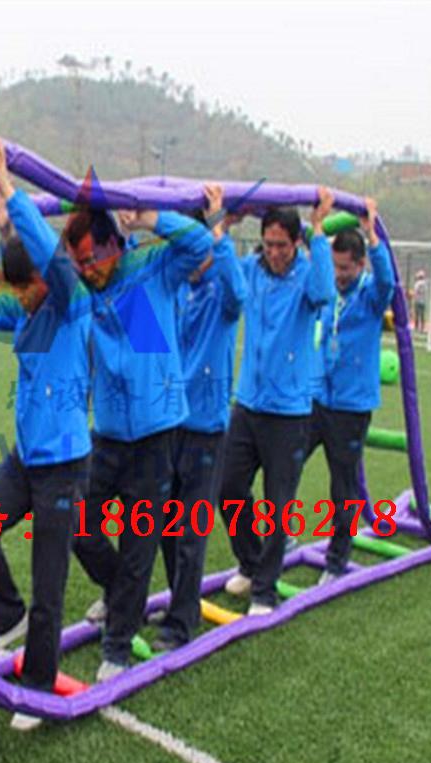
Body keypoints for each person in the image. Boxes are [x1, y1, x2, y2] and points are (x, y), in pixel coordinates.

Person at [0, 137, 92, 731]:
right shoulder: (27, 311)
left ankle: (37, 688)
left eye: (27, 285)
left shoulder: (70, 304)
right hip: (27, 458)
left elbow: (54, 262)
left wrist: (8, 189)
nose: (23, 297)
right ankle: (8, 619)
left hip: (64, 464)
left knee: (49, 586)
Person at [50, 190, 212, 680]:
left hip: (156, 434)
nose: (84, 269)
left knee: (139, 541)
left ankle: (117, 647)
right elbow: (41, 274)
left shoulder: (151, 270)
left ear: (112, 245)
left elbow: (199, 243)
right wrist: (9, 221)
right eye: (77, 262)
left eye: (89, 260)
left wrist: (149, 217)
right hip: (107, 435)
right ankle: (122, 596)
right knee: (78, 526)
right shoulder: (86, 293)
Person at [218, 188, 335, 615]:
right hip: (248, 404)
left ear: (296, 243)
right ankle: (251, 563)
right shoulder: (252, 269)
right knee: (228, 487)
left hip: (288, 412)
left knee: (278, 504)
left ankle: (264, 591)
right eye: (268, 244)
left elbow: (324, 292)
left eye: (282, 245)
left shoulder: (306, 275)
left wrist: (318, 230)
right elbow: (221, 270)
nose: (274, 253)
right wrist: (224, 223)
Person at [154, 184, 246, 650]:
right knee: (165, 528)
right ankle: (180, 603)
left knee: (190, 531)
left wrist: (218, 230)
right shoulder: (176, 290)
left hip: (205, 428)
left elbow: (239, 293)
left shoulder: (221, 293)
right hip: (169, 424)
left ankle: (181, 623)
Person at [307, 199, 394, 581]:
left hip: (351, 406)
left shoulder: (371, 295)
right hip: (318, 399)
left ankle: (336, 559)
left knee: (342, 484)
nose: (339, 275)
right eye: (335, 267)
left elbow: (387, 281)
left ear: (360, 265)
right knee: (285, 464)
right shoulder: (330, 292)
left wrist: (373, 236)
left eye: (345, 268)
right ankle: (281, 538)